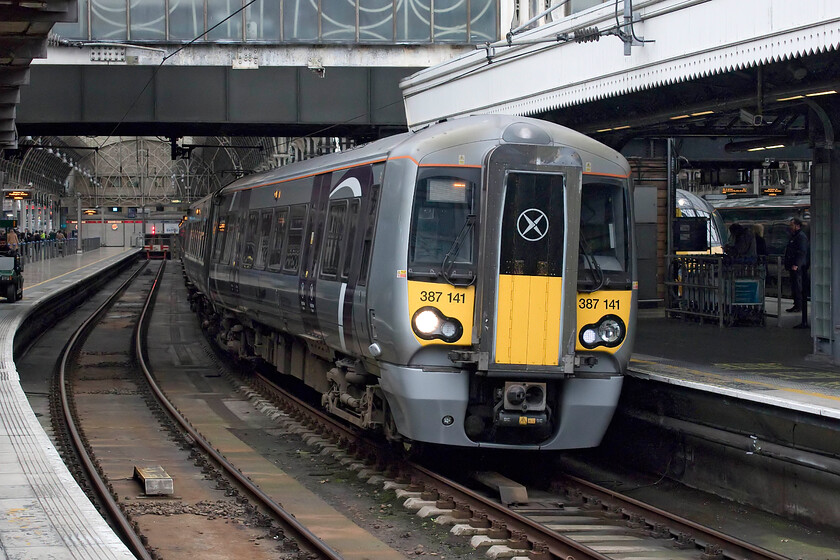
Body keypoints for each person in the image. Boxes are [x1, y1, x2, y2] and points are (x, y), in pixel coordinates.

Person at [783, 218, 809, 328]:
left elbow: (802, 251)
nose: (790, 226)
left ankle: (799, 305)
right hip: (792, 265)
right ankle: (796, 304)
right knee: (794, 285)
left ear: (797, 226)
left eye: (792, 224)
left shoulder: (801, 237)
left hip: (798, 267)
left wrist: (797, 264)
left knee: (798, 285)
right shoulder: (794, 236)